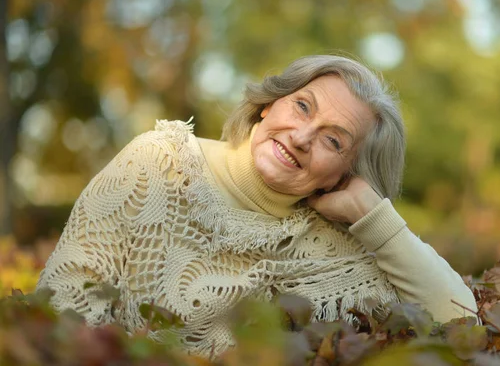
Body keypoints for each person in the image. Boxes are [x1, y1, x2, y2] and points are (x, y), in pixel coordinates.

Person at [37, 55, 477, 356]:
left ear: (344, 175)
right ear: (269, 105)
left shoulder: (336, 255)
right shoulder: (157, 163)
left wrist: (374, 215)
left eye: (332, 140)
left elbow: (463, 325)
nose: (302, 137)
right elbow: (65, 301)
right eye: (302, 107)